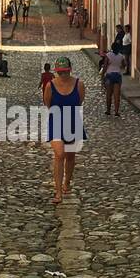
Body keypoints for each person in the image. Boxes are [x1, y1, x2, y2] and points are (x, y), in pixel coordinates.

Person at [43, 55, 86, 204]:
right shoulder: (50, 86)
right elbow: (47, 103)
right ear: (56, 72)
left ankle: (67, 182)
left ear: (70, 70)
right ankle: (58, 192)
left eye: (65, 72)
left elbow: (79, 101)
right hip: (56, 121)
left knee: (70, 156)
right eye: (60, 72)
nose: (63, 75)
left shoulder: (79, 84)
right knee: (59, 154)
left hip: (72, 120)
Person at [102, 47, 126, 116]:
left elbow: (105, 66)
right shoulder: (121, 56)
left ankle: (108, 110)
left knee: (108, 94)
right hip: (118, 75)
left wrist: (103, 75)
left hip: (109, 76)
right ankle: (116, 111)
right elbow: (124, 65)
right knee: (117, 95)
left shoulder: (108, 55)